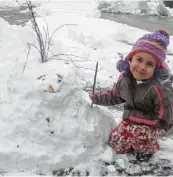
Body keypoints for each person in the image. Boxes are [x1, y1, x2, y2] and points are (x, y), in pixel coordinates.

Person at [89, 29, 173, 162]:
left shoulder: (159, 89)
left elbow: (164, 119)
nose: (142, 67)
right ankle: (131, 142)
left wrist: (136, 120)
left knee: (138, 134)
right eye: (139, 59)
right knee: (116, 143)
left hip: (153, 124)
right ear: (130, 58)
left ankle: (147, 149)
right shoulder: (125, 79)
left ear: (157, 68)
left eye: (149, 64)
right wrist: (95, 97)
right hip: (131, 120)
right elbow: (115, 95)